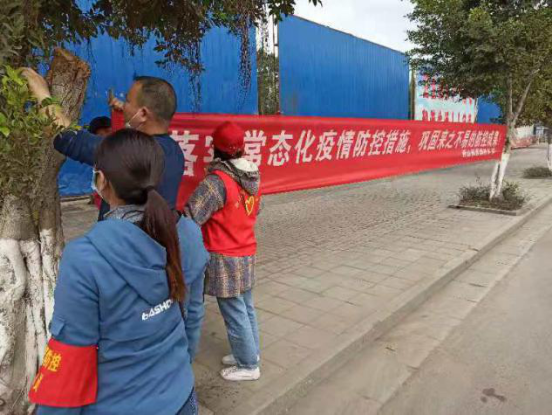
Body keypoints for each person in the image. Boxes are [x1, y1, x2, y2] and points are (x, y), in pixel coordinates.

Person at [28, 129, 209, 415]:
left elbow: (69, 359)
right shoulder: (188, 233)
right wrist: (178, 370)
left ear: (101, 180)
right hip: (181, 396)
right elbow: (193, 314)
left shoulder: (85, 258)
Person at [21, 69, 184, 221]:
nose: (124, 106)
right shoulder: (174, 150)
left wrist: (39, 90)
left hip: (123, 240)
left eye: (127, 101)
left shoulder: (133, 152)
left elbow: (67, 137)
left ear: (142, 113)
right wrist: (127, 111)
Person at [185, 121, 262, 382]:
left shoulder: (217, 182)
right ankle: (251, 352)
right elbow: (256, 210)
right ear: (242, 147)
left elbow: (192, 214)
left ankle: (248, 365)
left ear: (215, 148)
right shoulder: (253, 176)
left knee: (234, 311)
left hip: (224, 254)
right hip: (246, 249)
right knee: (246, 306)